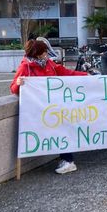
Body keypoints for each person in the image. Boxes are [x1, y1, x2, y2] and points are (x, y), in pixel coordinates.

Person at [10, 39, 88, 175]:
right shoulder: (25, 68)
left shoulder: (49, 64)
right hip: (38, 109)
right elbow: (13, 89)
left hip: (53, 106)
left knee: (62, 129)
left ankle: (68, 160)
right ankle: (67, 160)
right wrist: (18, 83)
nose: (47, 54)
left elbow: (66, 73)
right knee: (58, 130)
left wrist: (86, 76)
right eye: (44, 51)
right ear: (38, 54)